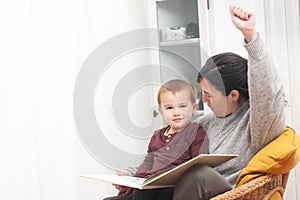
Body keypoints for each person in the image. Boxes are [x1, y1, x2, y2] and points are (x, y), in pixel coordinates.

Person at [171, 5, 286, 200]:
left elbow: (268, 93)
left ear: (233, 95)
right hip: (185, 193)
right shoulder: (205, 123)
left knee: (200, 175)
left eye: (209, 94)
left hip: (226, 194)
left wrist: (251, 35)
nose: (204, 101)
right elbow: (166, 154)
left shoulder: (257, 125)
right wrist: (134, 176)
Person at [103, 79, 209, 200]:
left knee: (150, 194)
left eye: (182, 106)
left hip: (173, 186)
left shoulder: (196, 132)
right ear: (161, 111)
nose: (176, 112)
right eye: (169, 108)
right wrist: (132, 183)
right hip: (149, 185)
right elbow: (147, 163)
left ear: (194, 108)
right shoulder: (157, 136)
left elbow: (199, 163)